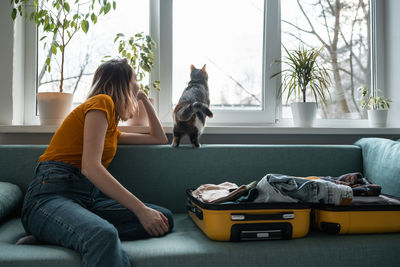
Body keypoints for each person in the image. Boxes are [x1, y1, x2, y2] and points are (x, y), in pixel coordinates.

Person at [20, 59, 173, 267]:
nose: (137, 86)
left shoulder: (111, 127)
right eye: (135, 81)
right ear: (124, 85)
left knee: (163, 218)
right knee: (103, 234)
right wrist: (140, 209)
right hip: (49, 197)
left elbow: (159, 138)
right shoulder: (102, 102)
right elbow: (90, 167)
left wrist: (144, 99)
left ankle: (58, 233)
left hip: (85, 200)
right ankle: (57, 228)